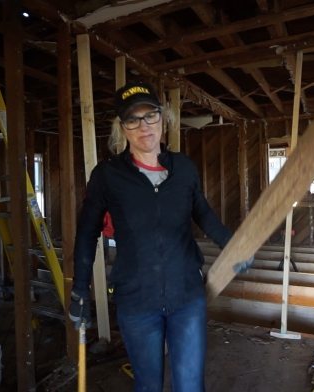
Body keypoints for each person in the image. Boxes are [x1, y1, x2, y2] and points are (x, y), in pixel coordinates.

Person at [69, 81, 249, 392]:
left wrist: (232, 247)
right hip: (137, 301)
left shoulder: (183, 169)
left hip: (186, 296)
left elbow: (203, 213)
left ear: (162, 120)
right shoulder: (108, 176)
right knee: (148, 385)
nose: (144, 126)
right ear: (123, 128)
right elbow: (87, 232)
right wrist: (80, 289)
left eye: (150, 116)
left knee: (190, 385)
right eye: (133, 119)